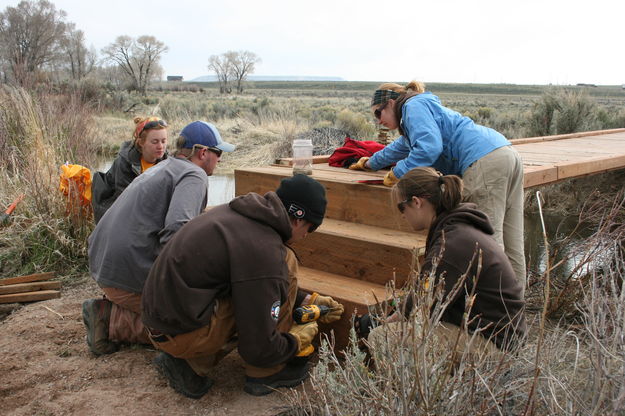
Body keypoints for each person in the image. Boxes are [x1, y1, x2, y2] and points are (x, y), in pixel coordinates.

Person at [141, 174, 345, 399]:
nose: (306, 235)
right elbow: (258, 345)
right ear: (298, 219)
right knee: (286, 263)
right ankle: (268, 372)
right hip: (182, 332)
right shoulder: (265, 250)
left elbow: (248, 279)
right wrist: (294, 341)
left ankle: (190, 364)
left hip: (164, 323)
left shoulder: (241, 214)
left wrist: (304, 300)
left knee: (264, 286)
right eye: (311, 228)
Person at [350, 81, 526, 295]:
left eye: (379, 114)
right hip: (504, 153)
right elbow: (401, 147)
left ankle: (494, 314)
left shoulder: (412, 107)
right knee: (512, 238)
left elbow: (429, 149)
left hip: (483, 162)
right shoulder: (415, 113)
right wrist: (370, 163)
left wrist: (397, 173)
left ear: (390, 103)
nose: (379, 121)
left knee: (488, 242)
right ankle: (516, 305)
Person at [82, 121, 235, 356]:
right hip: (122, 276)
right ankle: (112, 320)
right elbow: (177, 231)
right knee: (199, 323)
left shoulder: (167, 166)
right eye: (218, 153)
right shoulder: (194, 174)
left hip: (104, 266)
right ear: (203, 152)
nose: (220, 159)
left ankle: (110, 314)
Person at [362, 167, 526, 357]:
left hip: (496, 345)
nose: (402, 215)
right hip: (491, 332)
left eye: (401, 207)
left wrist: (386, 321)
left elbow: (422, 303)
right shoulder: (456, 231)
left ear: (416, 202)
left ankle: (408, 387)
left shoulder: (453, 244)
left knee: (382, 337)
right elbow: (426, 293)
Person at [91, 116, 169, 223]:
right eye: (155, 142)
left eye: (164, 141)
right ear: (141, 143)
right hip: (114, 209)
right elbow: (125, 201)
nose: (161, 146)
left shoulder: (168, 162)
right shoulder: (124, 162)